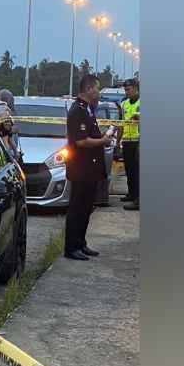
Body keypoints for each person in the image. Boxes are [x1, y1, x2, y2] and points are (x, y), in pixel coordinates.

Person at [64, 74, 113, 261]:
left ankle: (81, 243)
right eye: (97, 88)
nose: (99, 92)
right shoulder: (78, 110)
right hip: (81, 168)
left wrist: (103, 138)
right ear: (89, 89)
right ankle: (71, 247)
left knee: (86, 208)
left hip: (90, 169)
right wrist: (103, 140)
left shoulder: (89, 110)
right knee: (77, 208)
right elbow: (82, 141)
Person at [118, 79, 140, 211]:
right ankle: (132, 194)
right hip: (126, 141)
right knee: (129, 170)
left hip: (138, 141)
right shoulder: (124, 104)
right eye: (125, 90)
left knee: (137, 172)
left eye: (129, 89)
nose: (127, 92)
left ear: (136, 88)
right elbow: (120, 123)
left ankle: (138, 199)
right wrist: (117, 141)